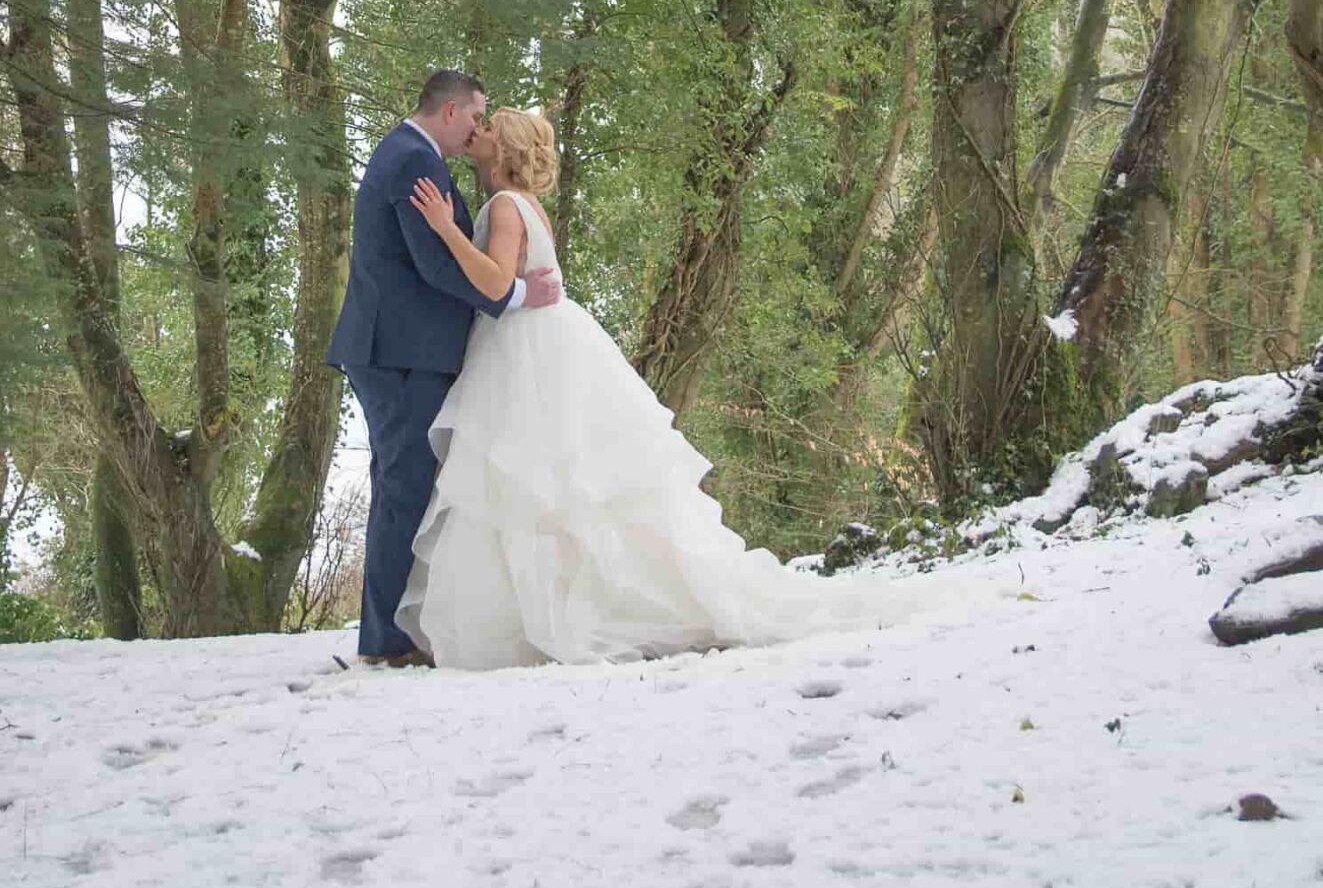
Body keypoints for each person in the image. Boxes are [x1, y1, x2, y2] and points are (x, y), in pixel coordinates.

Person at [395, 105, 971, 669]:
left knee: (531, 480)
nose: (481, 129)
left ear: (508, 147)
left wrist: (444, 228)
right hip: (544, 343)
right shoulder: (529, 207)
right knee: (555, 482)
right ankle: (553, 607)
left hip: (523, 353)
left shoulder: (502, 206)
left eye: (491, 126)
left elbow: (496, 283)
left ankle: (544, 615)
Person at [327, 71, 564, 666]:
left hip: (402, 349)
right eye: (476, 116)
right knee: (405, 487)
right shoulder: (414, 160)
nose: (478, 129)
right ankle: (389, 642)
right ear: (452, 110)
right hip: (401, 353)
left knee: (405, 485)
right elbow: (435, 266)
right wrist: (511, 298)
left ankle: (400, 633)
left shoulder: (411, 154)